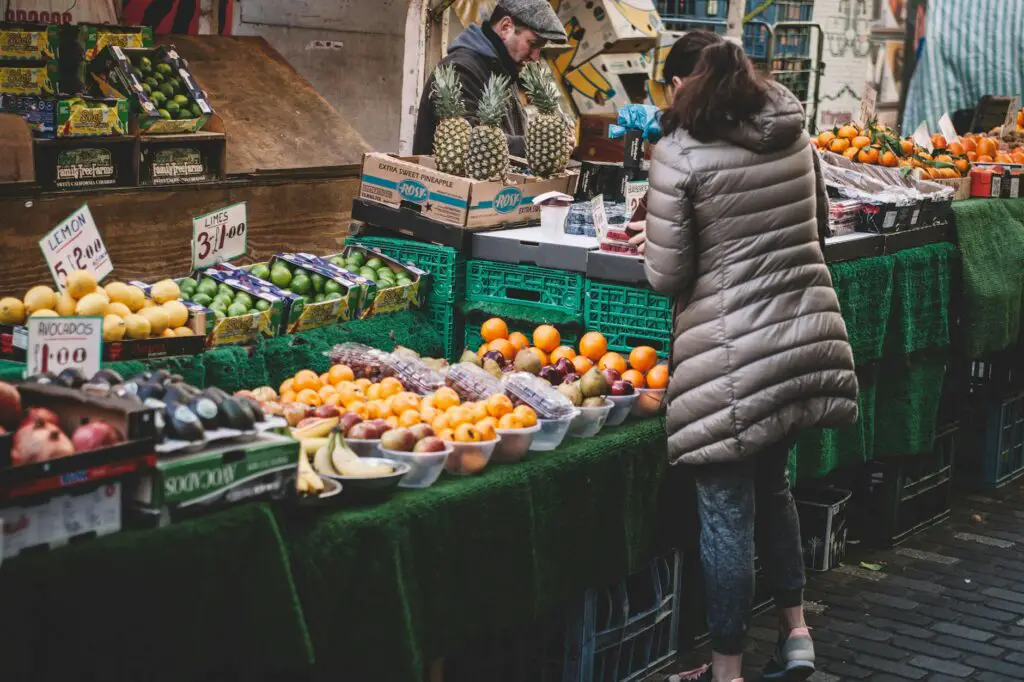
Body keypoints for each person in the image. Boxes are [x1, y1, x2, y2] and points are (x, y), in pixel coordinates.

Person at [641, 33, 860, 682]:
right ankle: (797, 635)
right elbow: (819, 222)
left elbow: (665, 273)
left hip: (731, 360)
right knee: (775, 488)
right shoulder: (792, 132)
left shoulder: (679, 154)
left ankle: (727, 670)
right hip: (800, 340)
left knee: (726, 513)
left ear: (683, 84)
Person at [412, 0, 567, 158]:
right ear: (506, 27)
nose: (536, 57)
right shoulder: (460, 69)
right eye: (533, 44)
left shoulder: (504, 69)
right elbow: (468, 143)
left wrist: (552, 141)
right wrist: (541, 145)